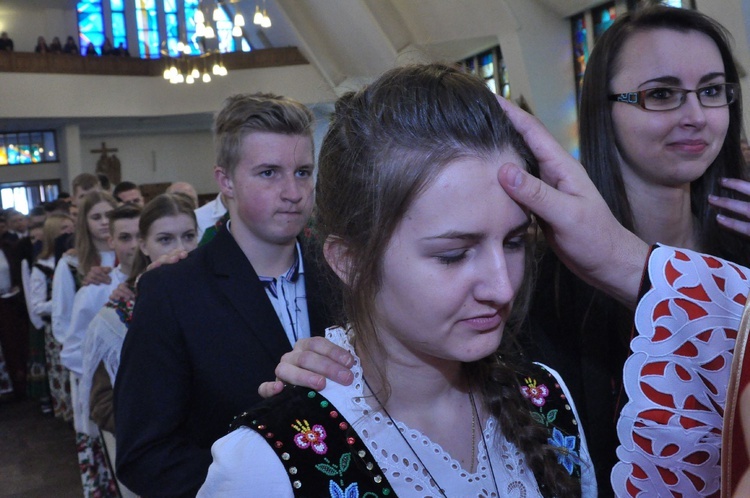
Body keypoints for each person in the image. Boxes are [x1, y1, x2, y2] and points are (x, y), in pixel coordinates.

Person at [199, 64, 596, 498]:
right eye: (453, 255)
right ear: (348, 261)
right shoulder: (265, 467)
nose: (502, 288)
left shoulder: (545, 399)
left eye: (515, 242)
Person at [513, 6, 750, 495]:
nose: (696, 117)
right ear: (603, 108)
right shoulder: (544, 276)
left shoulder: (742, 246)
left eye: (711, 90)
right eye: (661, 94)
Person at [114, 92, 337, 497]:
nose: (293, 191)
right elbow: (143, 453)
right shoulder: (173, 291)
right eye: (269, 173)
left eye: (303, 172)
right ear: (226, 181)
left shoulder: (339, 272)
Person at [28, 213, 75, 421]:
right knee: (64, 374)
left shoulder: (77, 259)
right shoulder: (41, 266)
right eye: (64, 228)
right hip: (57, 328)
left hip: (78, 325)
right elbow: (37, 306)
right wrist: (62, 302)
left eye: (71, 227)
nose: (70, 232)